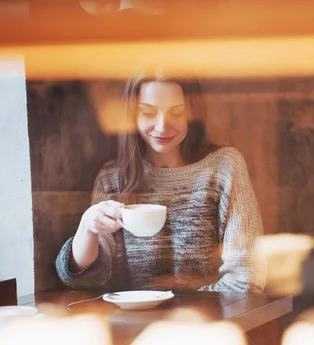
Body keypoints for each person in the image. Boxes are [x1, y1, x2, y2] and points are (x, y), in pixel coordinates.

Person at [55, 68, 265, 293]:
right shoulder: (112, 179)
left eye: (177, 112)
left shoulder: (224, 167)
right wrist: (87, 227)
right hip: (134, 324)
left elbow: (246, 279)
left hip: (208, 324)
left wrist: (179, 314)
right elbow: (83, 280)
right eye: (148, 113)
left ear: (192, 114)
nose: (162, 126)